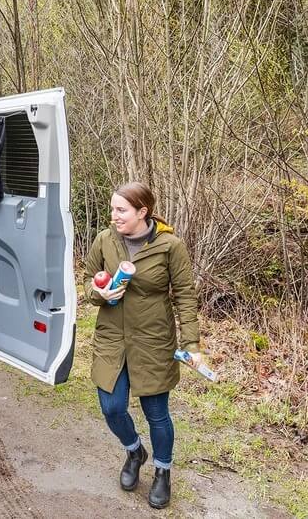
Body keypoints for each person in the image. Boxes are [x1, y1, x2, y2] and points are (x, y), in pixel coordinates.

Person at [83, 181, 201, 509]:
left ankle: (163, 472)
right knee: (111, 407)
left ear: (142, 212)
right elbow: (88, 278)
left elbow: (185, 296)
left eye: (121, 210)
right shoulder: (106, 239)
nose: (114, 215)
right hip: (112, 338)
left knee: (156, 413)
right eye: (112, 209)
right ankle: (135, 450)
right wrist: (99, 294)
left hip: (153, 341)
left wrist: (191, 341)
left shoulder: (170, 246)